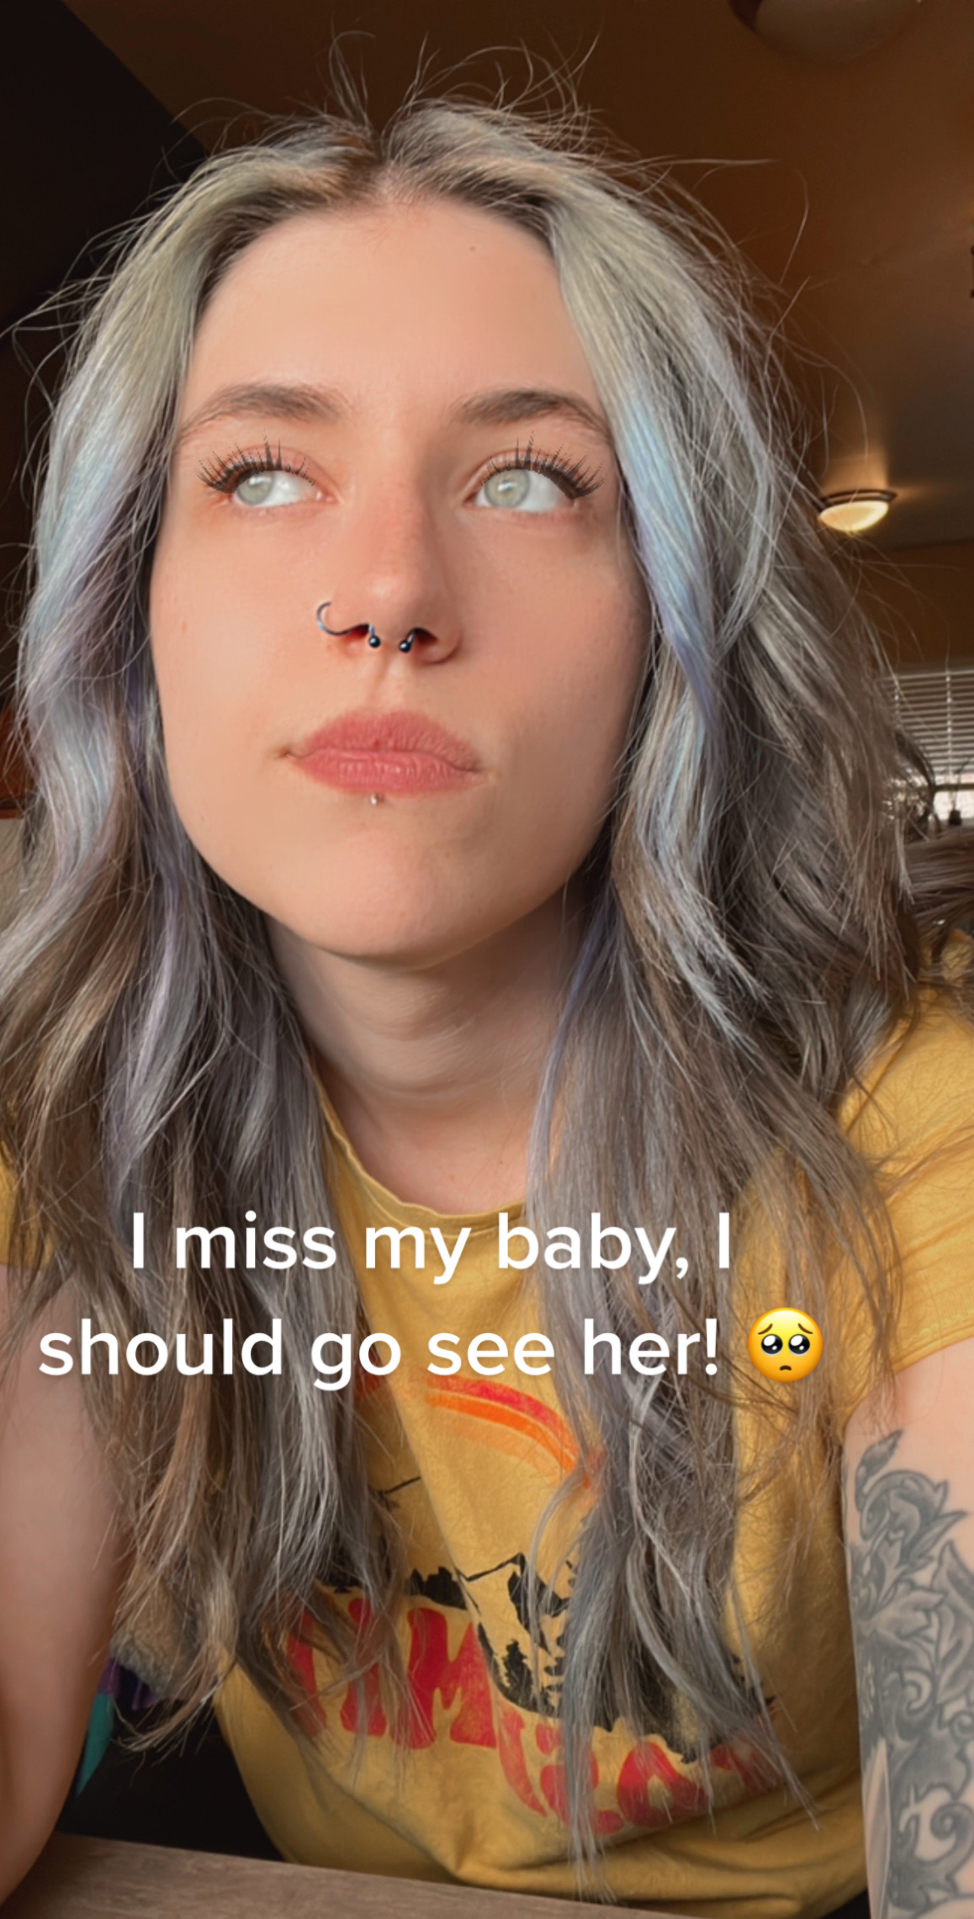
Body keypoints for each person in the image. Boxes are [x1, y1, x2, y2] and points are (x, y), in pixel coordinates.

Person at [1, 92, 973, 1918]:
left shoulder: (915, 1139)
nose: (388, 592)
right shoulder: (67, 1123)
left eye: (528, 479)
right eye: (261, 474)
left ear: (671, 626)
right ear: (129, 608)